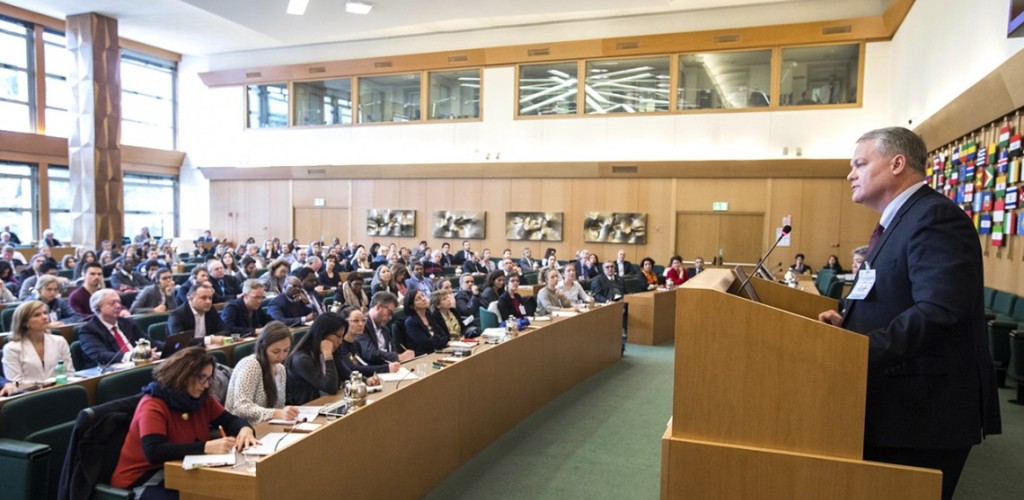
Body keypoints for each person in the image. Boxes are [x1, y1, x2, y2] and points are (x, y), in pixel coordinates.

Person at [817, 127, 1000, 500]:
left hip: (923, 413)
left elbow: (939, 312)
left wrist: (857, 351)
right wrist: (849, 323)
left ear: (897, 163)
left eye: (860, 164)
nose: (850, 174)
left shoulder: (934, 218)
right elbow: (893, 295)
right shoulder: (900, 221)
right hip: (900, 403)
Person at [110, 347, 258, 497]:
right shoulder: (153, 404)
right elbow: (154, 452)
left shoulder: (202, 398)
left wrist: (245, 429)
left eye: (209, 378)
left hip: (179, 470)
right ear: (184, 375)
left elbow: (230, 421)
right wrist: (206, 447)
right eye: (202, 378)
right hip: (141, 480)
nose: (206, 385)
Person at [225, 322, 298, 424]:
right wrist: (276, 413)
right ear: (263, 347)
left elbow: (279, 406)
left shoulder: (280, 369)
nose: (282, 356)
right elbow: (240, 407)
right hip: (243, 428)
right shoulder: (251, 365)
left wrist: (287, 412)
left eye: (286, 350)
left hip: (268, 425)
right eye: (276, 351)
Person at [285, 312, 351, 405]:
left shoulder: (332, 351)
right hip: (308, 410)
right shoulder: (301, 359)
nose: (340, 342)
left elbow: (347, 375)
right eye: (338, 336)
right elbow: (331, 387)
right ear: (323, 334)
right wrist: (328, 355)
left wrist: (366, 380)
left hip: (328, 404)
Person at [2, 301, 75, 384]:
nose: (44, 317)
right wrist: (43, 386)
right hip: (31, 394)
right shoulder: (12, 348)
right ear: (24, 322)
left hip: (60, 389)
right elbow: (16, 382)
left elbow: (69, 372)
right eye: (37, 315)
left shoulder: (59, 341)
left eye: (45, 313)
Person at [78, 289, 151, 366]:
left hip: (139, 365)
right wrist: (135, 355)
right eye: (112, 303)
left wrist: (164, 349)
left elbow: (148, 341)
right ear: (98, 308)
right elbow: (100, 355)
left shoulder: (127, 322)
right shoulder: (88, 330)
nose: (118, 306)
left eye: (119, 302)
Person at [357, 292, 414, 366]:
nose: (390, 318)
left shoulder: (385, 328)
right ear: (378, 307)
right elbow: (370, 354)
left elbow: (393, 350)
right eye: (389, 313)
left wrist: (404, 357)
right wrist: (397, 357)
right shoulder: (361, 325)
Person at [403, 289, 448, 355]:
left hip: (438, 351)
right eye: (418, 299)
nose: (423, 299)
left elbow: (444, 336)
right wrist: (438, 339)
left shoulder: (428, 315)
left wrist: (435, 338)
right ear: (412, 306)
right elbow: (426, 345)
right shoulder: (411, 322)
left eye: (423, 296)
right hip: (423, 356)